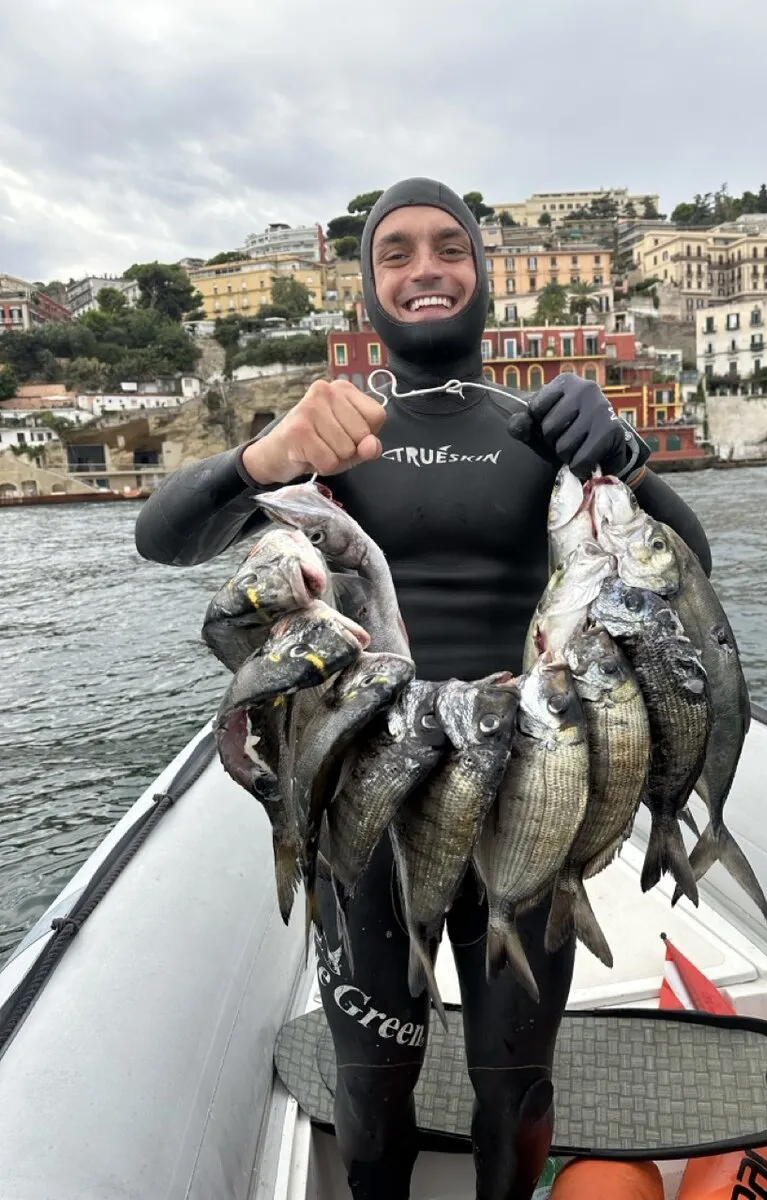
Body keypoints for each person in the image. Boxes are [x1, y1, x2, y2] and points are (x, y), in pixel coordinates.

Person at [135, 177, 712, 1200]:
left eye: (450, 247)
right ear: (367, 293)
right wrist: (259, 457)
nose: (426, 268)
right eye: (395, 253)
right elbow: (163, 538)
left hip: (525, 794)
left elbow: (688, 573)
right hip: (370, 805)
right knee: (371, 1090)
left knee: (517, 1086)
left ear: (485, 277)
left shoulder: (538, 432)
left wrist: (621, 447)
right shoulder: (331, 435)